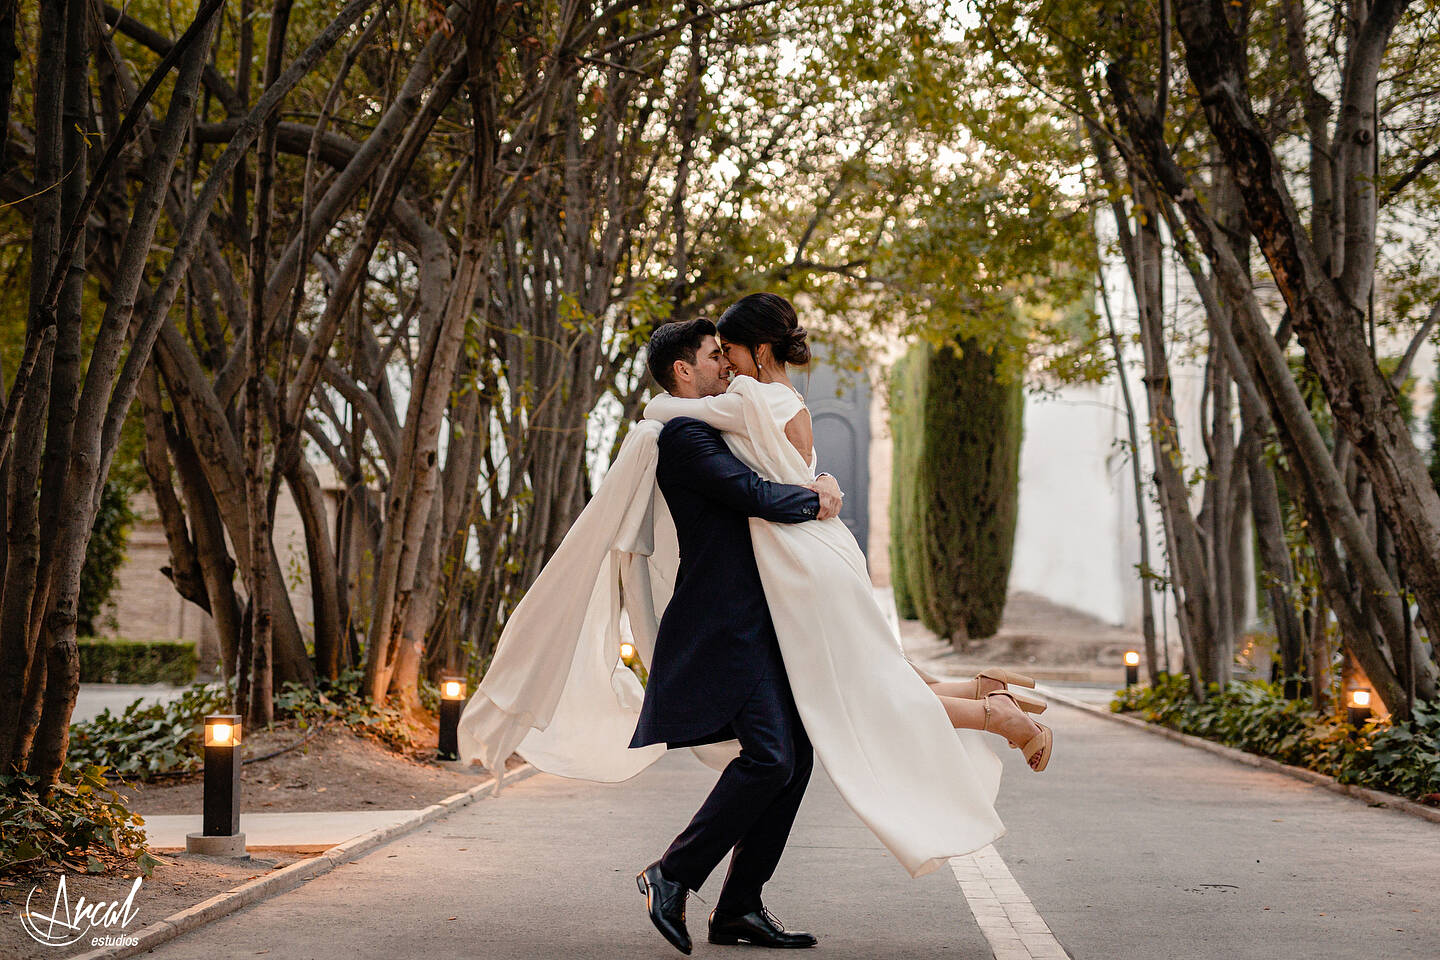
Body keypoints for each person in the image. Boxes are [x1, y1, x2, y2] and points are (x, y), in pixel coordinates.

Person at [631, 317, 843, 953]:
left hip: (762, 620)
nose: (725, 366)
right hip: (724, 625)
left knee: (795, 760)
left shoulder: (718, 424)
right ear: (682, 373)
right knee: (771, 757)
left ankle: (738, 909)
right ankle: (670, 874)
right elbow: (752, 493)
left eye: (727, 355)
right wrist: (817, 499)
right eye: (711, 357)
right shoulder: (686, 437)